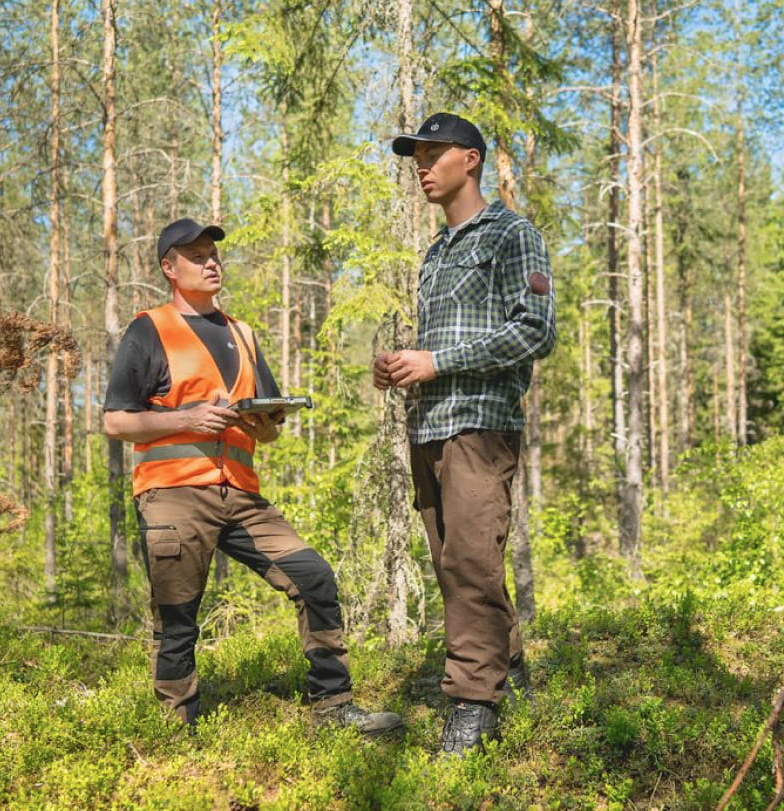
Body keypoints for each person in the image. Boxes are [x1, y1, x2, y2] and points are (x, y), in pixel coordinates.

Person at [104, 217, 402, 735]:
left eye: (213, 253)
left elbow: (265, 435)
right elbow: (115, 421)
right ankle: (175, 731)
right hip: (173, 493)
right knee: (177, 619)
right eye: (196, 255)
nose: (211, 261)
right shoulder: (148, 329)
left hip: (242, 497)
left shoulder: (242, 333)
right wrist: (187, 418)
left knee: (313, 578)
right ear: (169, 268)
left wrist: (265, 422)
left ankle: (333, 709)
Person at [373, 113, 556, 756]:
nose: (420, 167)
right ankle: (507, 674)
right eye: (414, 157)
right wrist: (404, 365)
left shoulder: (514, 236)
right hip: (429, 425)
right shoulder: (435, 252)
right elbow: (441, 346)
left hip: (481, 426)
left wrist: (437, 362)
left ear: (471, 159)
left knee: (472, 562)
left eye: (432, 154)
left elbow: (536, 331)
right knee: (458, 568)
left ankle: (473, 706)